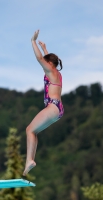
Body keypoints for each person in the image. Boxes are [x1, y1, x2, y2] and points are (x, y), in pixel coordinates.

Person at [23, 30, 64, 176]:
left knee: (29, 130)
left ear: (49, 63)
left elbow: (40, 58)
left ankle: (29, 160)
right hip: (58, 110)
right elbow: (48, 58)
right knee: (34, 132)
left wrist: (33, 41)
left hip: (52, 107)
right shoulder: (57, 73)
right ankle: (30, 161)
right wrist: (45, 47)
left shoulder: (50, 70)